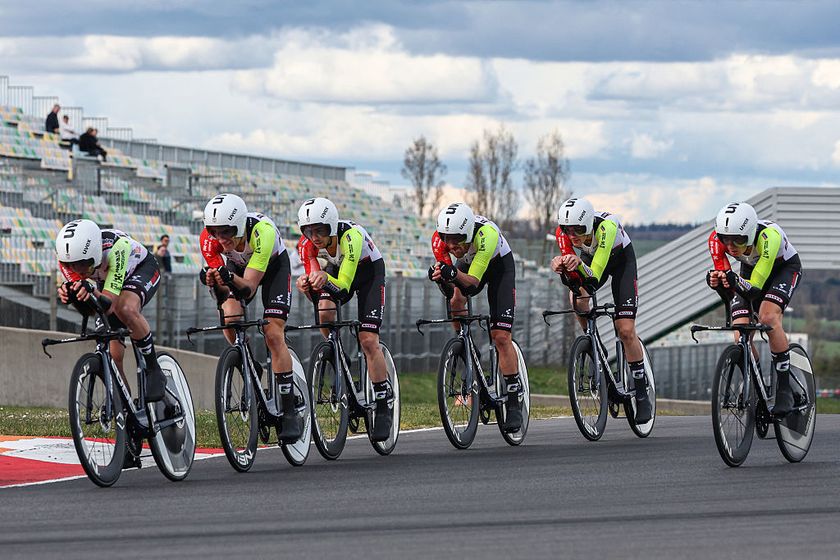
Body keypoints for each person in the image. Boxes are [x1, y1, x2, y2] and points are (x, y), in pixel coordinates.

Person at [198, 194, 301, 441]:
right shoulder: (208, 240)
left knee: (273, 334)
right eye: (215, 232)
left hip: (272, 268)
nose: (221, 239)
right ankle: (247, 360)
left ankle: (289, 410)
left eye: (227, 232)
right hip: (238, 268)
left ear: (241, 225)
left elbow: (248, 289)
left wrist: (226, 277)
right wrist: (214, 282)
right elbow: (224, 294)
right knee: (230, 315)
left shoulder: (262, 233)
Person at [295, 197, 393, 442]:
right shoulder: (305, 245)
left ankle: (383, 402)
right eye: (308, 231)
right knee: (324, 311)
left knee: (368, 340)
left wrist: (322, 280)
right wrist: (307, 285)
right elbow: (318, 285)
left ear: (332, 226)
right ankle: (338, 354)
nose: (314, 237)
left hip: (367, 272)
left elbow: (344, 286)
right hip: (338, 271)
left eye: (320, 230)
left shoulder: (351, 237)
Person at [551, 197, 652, 424]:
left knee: (625, 330)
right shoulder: (563, 234)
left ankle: (641, 391)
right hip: (591, 259)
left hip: (620, 261)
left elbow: (594, 276)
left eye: (578, 229)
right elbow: (576, 278)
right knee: (576, 297)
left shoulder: (606, 228)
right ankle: (594, 343)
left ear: (588, 223)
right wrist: (561, 267)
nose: (572, 235)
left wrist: (577, 265)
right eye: (568, 230)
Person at [428, 202, 524, 432]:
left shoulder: (486, 235)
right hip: (470, 264)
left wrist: (453, 273)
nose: (451, 245)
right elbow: (453, 285)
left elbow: (473, 283)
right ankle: (464, 344)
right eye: (446, 239)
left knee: (500, 336)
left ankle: (513, 399)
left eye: (458, 238)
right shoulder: (439, 241)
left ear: (469, 232)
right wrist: (442, 276)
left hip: (498, 266)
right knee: (455, 299)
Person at [706, 202, 803, 414]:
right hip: (751, 270)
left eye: (738, 240)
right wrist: (717, 282)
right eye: (725, 239)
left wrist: (732, 280)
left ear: (750, 234)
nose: (730, 246)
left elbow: (754, 289)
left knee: (768, 318)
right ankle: (755, 381)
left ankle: (784, 388)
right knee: (740, 330)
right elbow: (730, 291)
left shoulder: (769, 238)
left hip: (782, 270)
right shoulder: (715, 240)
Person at [54, 219, 166, 402]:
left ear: (96, 254)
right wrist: (71, 294)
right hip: (106, 279)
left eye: (83, 264)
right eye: (71, 265)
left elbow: (110, 305)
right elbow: (90, 308)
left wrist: (89, 290)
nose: (78, 271)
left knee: (125, 308)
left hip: (139, 268)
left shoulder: (117, 248)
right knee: (112, 354)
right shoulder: (68, 261)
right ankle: (126, 407)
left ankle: (153, 368)